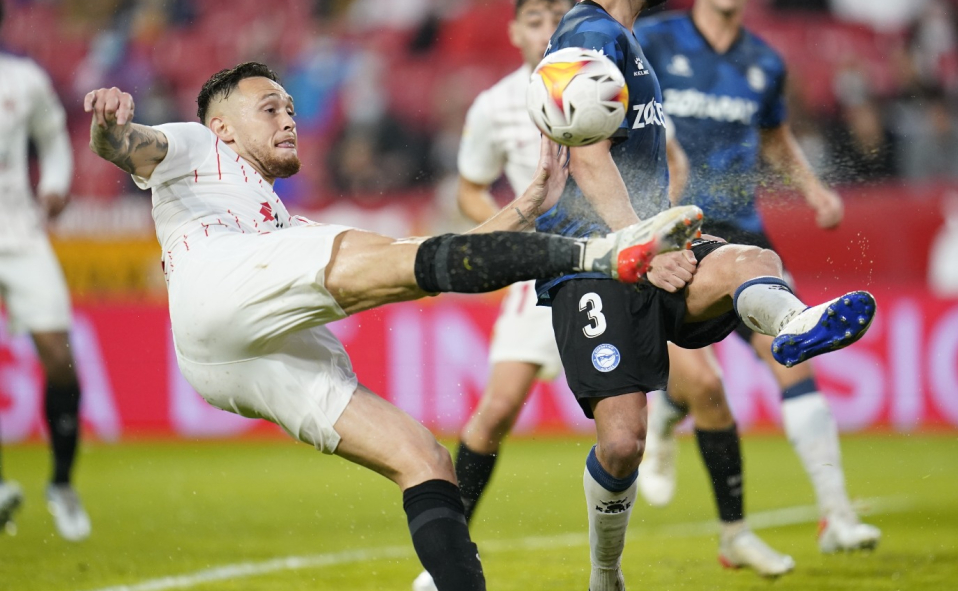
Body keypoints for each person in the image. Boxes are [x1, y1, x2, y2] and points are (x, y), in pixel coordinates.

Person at [84, 62, 702, 591]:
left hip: (226, 359)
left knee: (426, 459)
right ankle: (602, 255)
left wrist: (527, 204)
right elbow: (130, 145)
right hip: (216, 286)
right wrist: (111, 128)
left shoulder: (277, 221)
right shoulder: (198, 146)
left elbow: (441, 252)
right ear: (222, 127)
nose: (289, 119)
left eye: (291, 108)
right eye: (269, 108)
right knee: (390, 257)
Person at [541, 0, 876, 589]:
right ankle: (604, 574)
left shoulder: (629, 40)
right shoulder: (589, 34)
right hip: (595, 262)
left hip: (654, 246)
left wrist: (659, 230)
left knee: (752, 260)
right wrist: (641, 243)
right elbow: (586, 161)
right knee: (621, 444)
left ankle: (794, 326)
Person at [634, 0, 882, 566]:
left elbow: (774, 135)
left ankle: (838, 515)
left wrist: (814, 187)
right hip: (674, 238)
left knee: (793, 359)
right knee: (700, 379)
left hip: (743, 237)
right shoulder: (656, 41)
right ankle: (667, 415)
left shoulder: (765, 62)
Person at [411, 0, 577, 591]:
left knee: (686, 385)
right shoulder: (495, 104)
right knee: (495, 412)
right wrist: (504, 225)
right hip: (538, 267)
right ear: (515, 32)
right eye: (535, 19)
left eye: (559, 17)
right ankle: (448, 559)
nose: (547, 28)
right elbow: (468, 185)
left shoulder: (604, 81)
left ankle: (668, 442)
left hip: (606, 264)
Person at [0, 0, 92, 542]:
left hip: (21, 233)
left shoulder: (23, 80)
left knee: (60, 360)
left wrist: (55, 186)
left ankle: (60, 483)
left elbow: (55, 144)